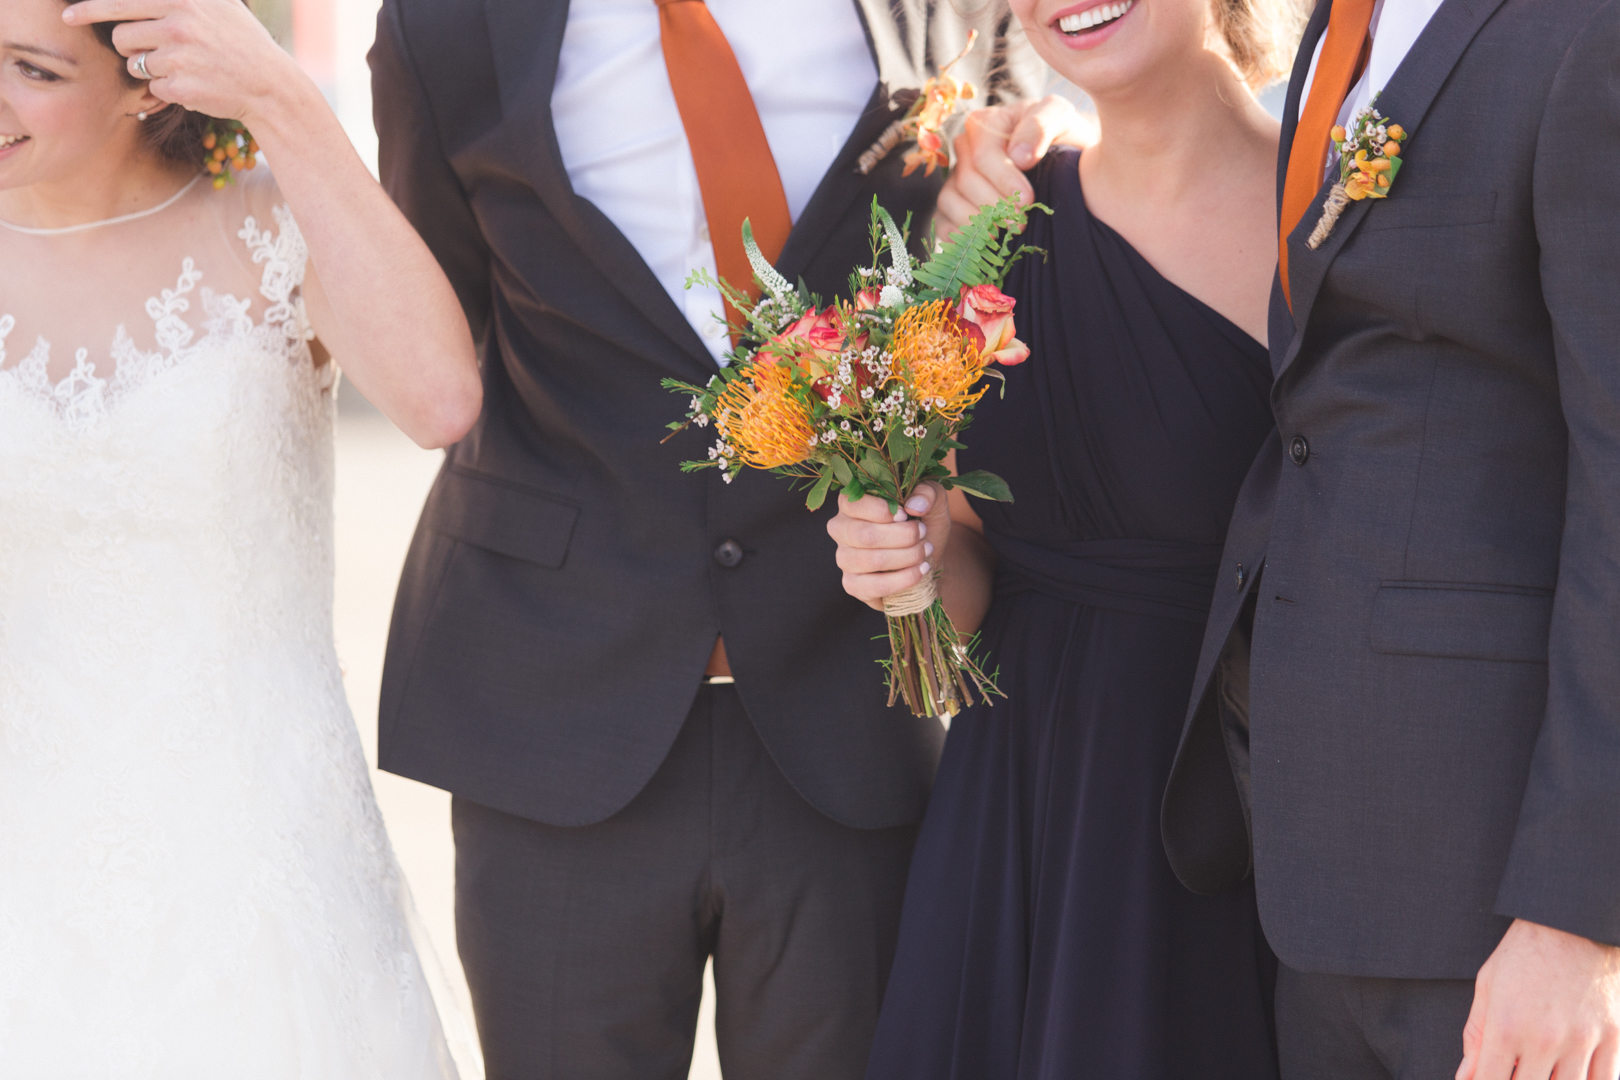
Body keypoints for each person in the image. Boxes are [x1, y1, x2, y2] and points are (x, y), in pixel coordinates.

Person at [367, 2, 1089, 1077]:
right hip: (557, 708)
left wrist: (1046, 143)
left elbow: (1023, 171)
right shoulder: (450, 24)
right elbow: (448, 319)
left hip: (855, 698)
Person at [0, 0, 482, 1072]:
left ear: (149, 79)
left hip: (259, 860)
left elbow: (440, 400)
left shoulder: (273, 229)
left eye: (30, 67)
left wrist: (280, 97)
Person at [827, 0, 1304, 1074]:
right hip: (1009, 824)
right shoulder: (995, 223)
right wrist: (903, 561)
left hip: (1215, 828)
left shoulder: (1323, 215)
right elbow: (972, 581)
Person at [1159, 0, 1620, 1074]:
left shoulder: (1584, 32)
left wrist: (1579, 915)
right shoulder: (1338, 29)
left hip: (1501, 901)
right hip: (1322, 872)